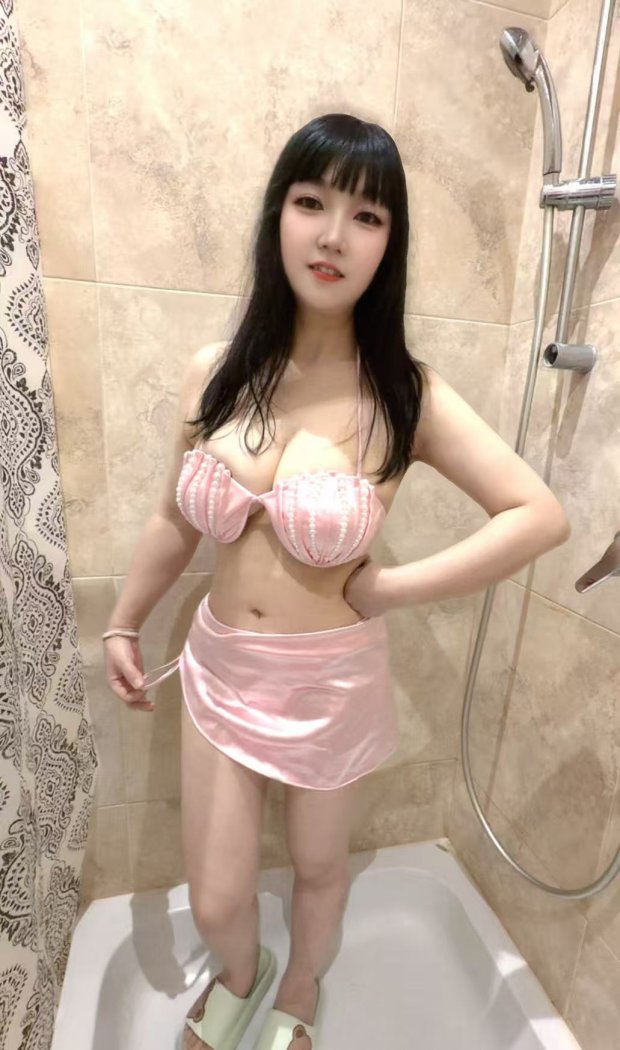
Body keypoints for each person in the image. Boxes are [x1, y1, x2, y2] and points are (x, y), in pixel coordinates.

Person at [102, 113, 570, 1050]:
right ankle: (242, 974)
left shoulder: (406, 394)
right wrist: (124, 622)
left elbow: (537, 515)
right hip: (221, 669)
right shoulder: (215, 374)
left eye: (366, 216)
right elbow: (171, 519)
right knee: (218, 895)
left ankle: (301, 988)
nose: (332, 236)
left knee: (319, 868)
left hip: (329, 681)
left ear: (389, 243)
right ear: (277, 214)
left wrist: (392, 591)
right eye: (311, 202)